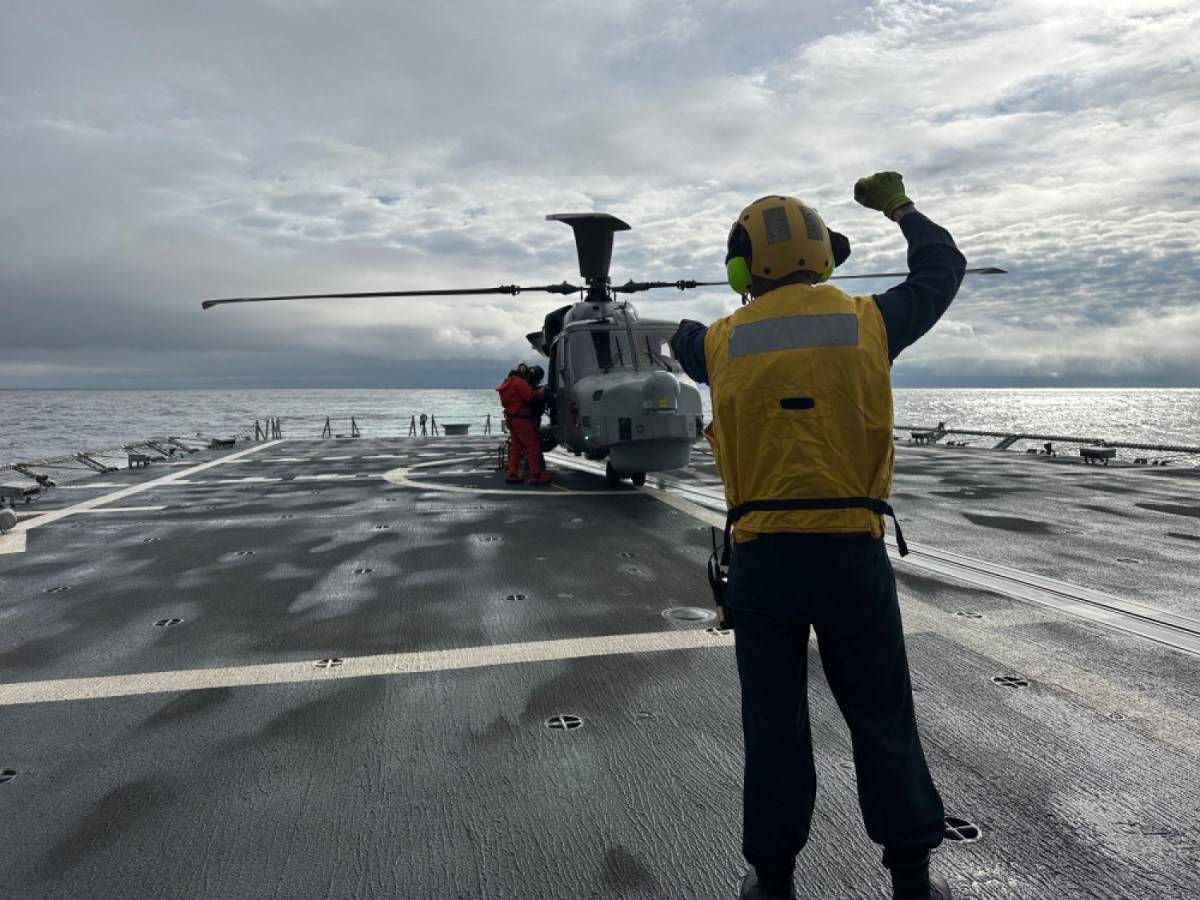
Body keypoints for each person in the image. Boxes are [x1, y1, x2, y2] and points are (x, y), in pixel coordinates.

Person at [671, 173, 965, 900]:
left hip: (766, 560)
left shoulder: (713, 344)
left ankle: (773, 881)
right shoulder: (871, 321)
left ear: (742, 268)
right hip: (850, 554)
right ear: (825, 259)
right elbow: (942, 268)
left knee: (773, 727)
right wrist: (902, 209)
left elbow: (674, 338)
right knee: (882, 717)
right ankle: (913, 880)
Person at [496, 363, 551, 485]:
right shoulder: (519, 382)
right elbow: (530, 397)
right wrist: (542, 391)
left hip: (511, 419)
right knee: (532, 446)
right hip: (522, 419)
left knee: (516, 447)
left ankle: (512, 474)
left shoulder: (506, 383)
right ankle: (536, 475)